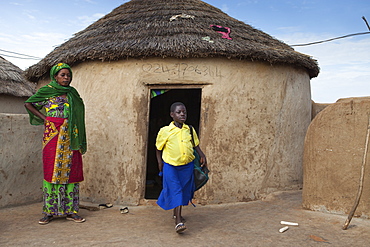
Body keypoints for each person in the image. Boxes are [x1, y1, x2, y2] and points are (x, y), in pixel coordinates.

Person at [24, 63, 87, 225]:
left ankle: (71, 211)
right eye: (62, 75)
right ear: (55, 76)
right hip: (52, 136)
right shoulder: (46, 92)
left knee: (71, 171)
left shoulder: (72, 93)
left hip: (71, 136)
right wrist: (46, 119)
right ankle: (49, 212)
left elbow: (79, 112)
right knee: (51, 170)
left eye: (68, 75)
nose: (66, 78)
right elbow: (28, 104)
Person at [155, 102, 207, 233]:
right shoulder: (165, 131)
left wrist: (202, 155)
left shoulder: (189, 129)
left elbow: (195, 145)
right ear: (172, 115)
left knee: (183, 190)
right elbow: (158, 148)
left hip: (187, 166)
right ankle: (178, 221)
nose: (182, 114)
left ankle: (175, 212)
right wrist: (160, 163)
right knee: (176, 189)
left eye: (184, 112)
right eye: (179, 112)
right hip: (171, 166)